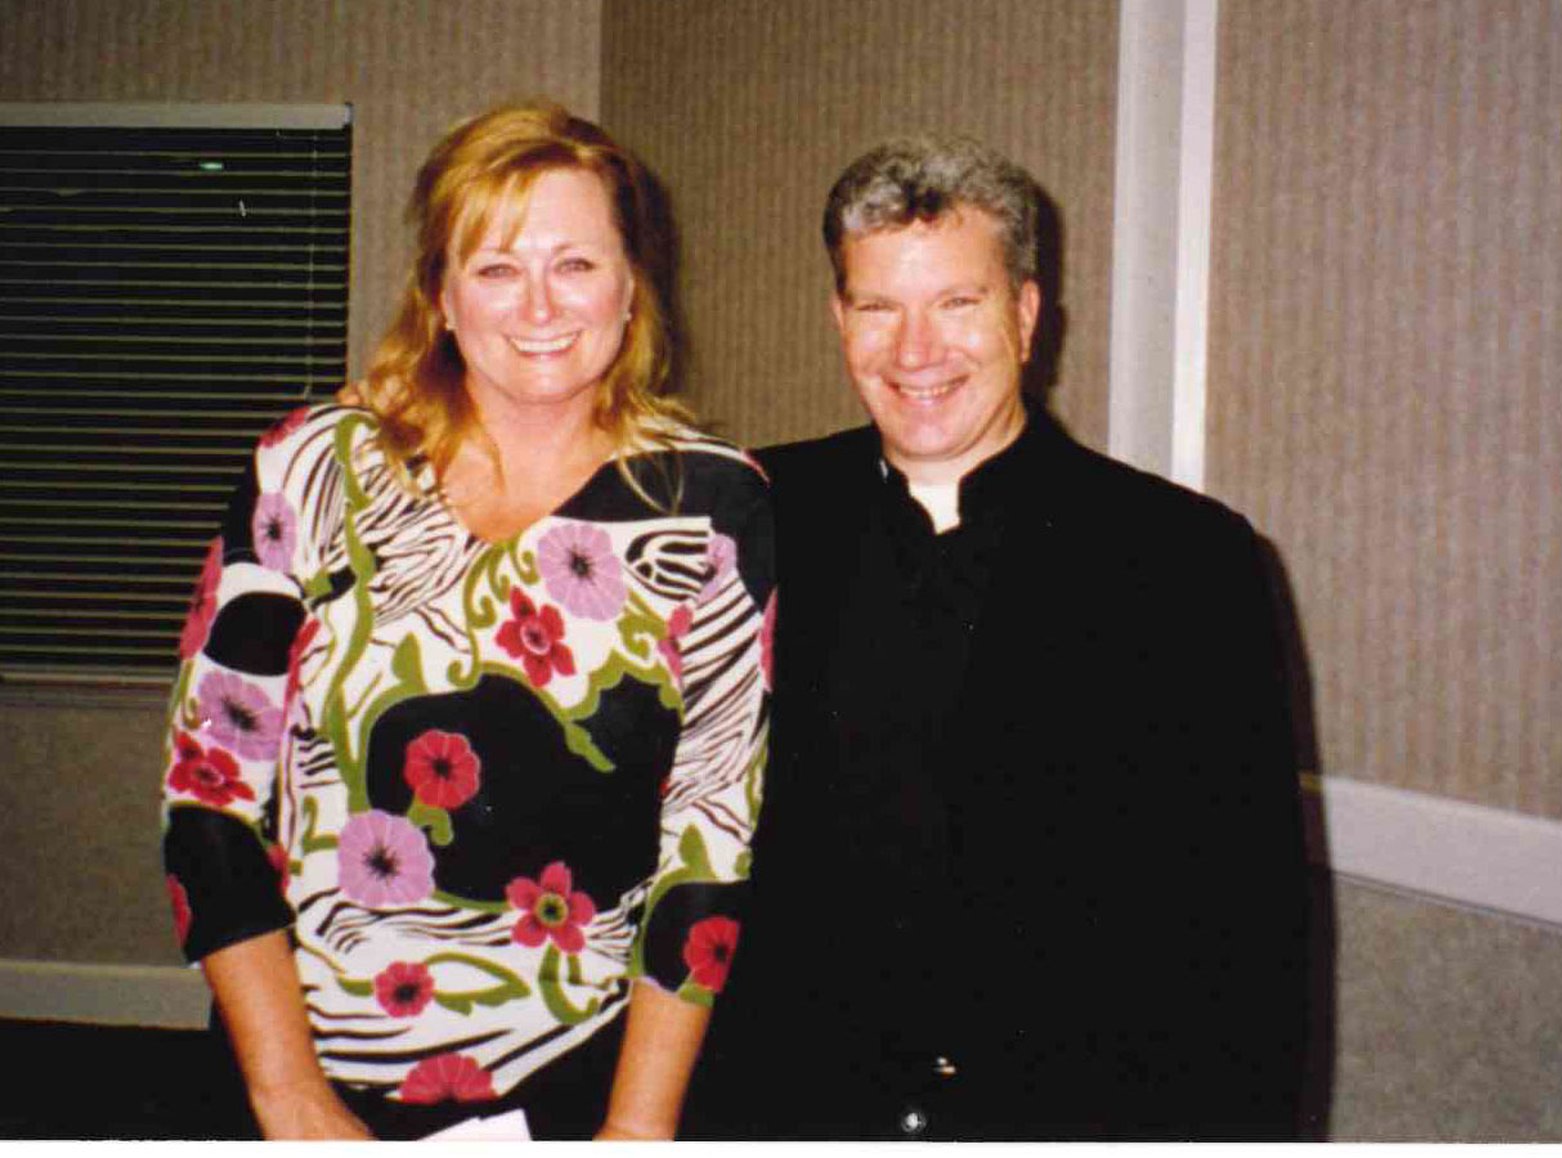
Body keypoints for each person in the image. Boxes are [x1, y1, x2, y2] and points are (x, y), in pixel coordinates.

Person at [160, 100, 774, 1141]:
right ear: (441, 295)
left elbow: (709, 841)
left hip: (578, 1082)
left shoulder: (711, 505)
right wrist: (290, 1098)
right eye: (494, 267)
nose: (538, 305)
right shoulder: (312, 465)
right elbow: (207, 794)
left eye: (576, 264)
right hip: (293, 1076)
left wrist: (635, 1133)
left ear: (632, 287)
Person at [689, 135, 1308, 1140]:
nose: (914, 349)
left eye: (956, 303)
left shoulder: (1184, 560)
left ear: (1024, 315)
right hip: (788, 1105)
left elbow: (1246, 941)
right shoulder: (752, 513)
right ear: (838, 318)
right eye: (878, 306)